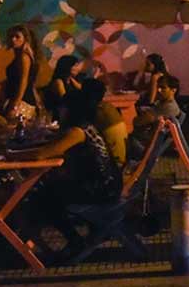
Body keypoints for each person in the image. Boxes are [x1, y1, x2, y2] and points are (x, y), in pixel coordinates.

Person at [11, 85, 122, 257]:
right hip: (106, 184)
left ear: (71, 109)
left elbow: (42, 154)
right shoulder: (85, 127)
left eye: (62, 108)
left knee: (43, 196)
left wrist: (11, 155)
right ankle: (54, 242)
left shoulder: (76, 132)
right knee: (46, 191)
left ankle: (71, 241)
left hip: (101, 189)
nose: (59, 111)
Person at [2, 25, 42, 122]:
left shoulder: (24, 57)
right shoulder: (23, 55)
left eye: (17, 37)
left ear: (25, 39)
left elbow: (24, 81)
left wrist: (16, 103)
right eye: (11, 36)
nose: (13, 39)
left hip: (22, 99)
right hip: (22, 98)